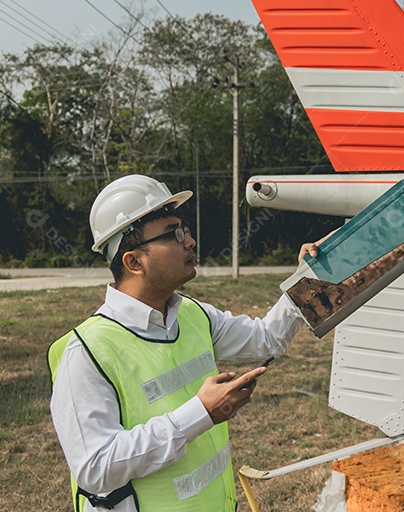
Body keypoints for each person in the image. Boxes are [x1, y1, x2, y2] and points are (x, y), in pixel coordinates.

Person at [48, 174, 316, 511]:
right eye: (173, 234)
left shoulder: (190, 314)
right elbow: (95, 467)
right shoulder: (86, 352)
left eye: (184, 230)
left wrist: (306, 279)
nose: (188, 242)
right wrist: (200, 413)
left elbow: (265, 340)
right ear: (134, 261)